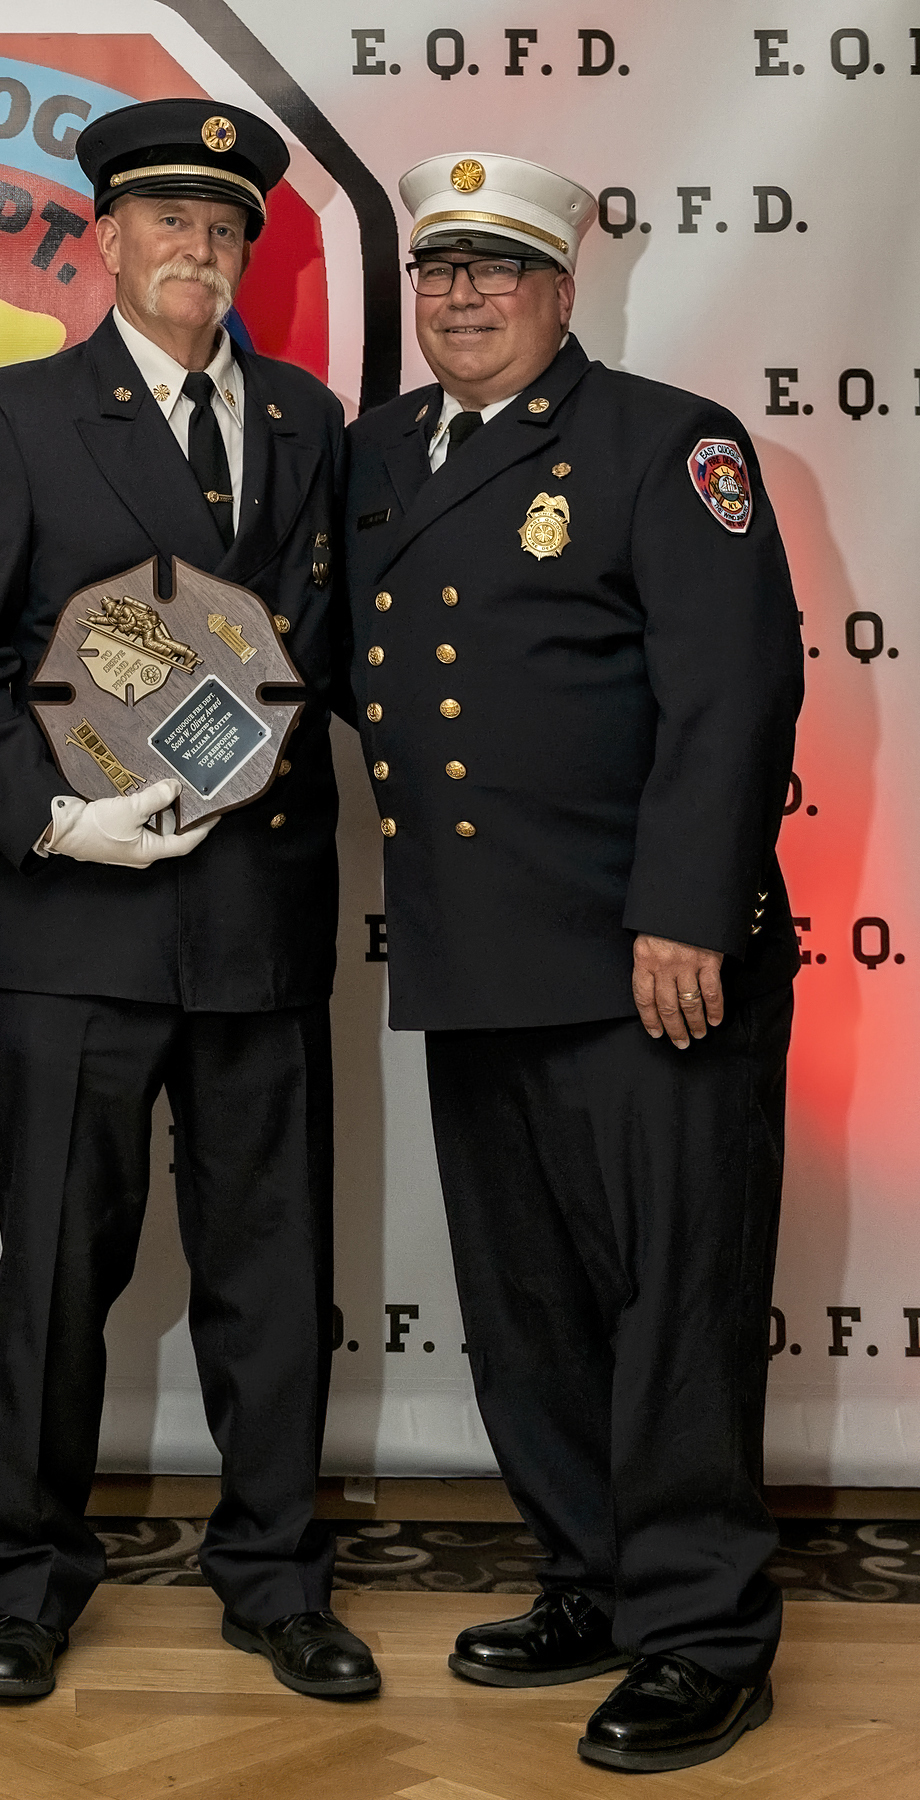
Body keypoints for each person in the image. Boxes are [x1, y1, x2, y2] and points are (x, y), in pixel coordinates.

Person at [0, 100, 372, 1704]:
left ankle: (278, 1579)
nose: (198, 247)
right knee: (54, 1275)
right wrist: (48, 820)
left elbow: (340, 660)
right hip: (86, 922)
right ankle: (25, 1584)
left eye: (224, 225)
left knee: (271, 1282)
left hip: (262, 914)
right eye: (168, 220)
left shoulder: (310, 421)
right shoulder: (18, 416)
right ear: (104, 240)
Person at [346, 153, 801, 1775]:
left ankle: (703, 1635)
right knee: (525, 1307)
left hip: (647, 961)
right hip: (477, 952)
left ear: (560, 288)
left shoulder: (667, 445)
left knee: (674, 1306)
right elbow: (309, 660)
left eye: (497, 269)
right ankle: (592, 1578)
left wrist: (687, 909)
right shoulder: (381, 454)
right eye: (439, 269)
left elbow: (732, 695)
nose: (460, 296)